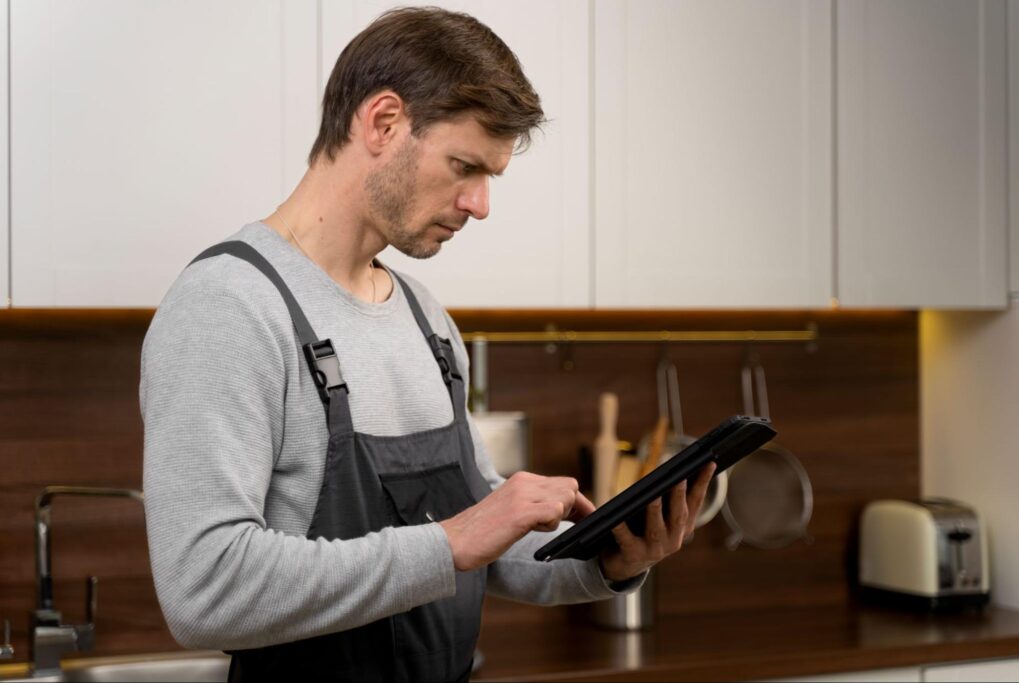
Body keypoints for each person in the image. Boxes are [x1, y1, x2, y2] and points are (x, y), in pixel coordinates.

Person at [140, 6, 715, 682]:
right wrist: (453, 540)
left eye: (490, 177)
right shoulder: (231, 306)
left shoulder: (426, 319)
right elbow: (204, 590)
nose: (480, 204)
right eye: (464, 165)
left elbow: (485, 547)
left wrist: (612, 559)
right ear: (382, 123)